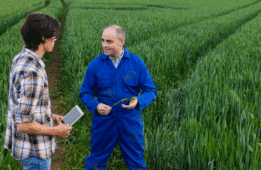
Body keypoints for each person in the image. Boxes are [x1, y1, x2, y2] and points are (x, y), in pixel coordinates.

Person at [79, 25, 157, 170]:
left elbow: (151, 90)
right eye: (103, 40)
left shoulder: (136, 63)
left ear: (122, 41)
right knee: (95, 163)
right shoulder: (95, 65)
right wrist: (96, 105)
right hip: (104, 122)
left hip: (130, 122)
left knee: (136, 163)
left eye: (109, 41)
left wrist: (138, 101)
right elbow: (85, 93)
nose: (104, 45)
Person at [4, 12, 72, 170]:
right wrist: (56, 131)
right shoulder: (32, 72)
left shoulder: (21, 58)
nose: (55, 38)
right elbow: (23, 124)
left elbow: (23, 107)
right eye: (53, 35)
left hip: (24, 146)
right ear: (43, 37)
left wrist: (50, 116)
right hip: (34, 152)